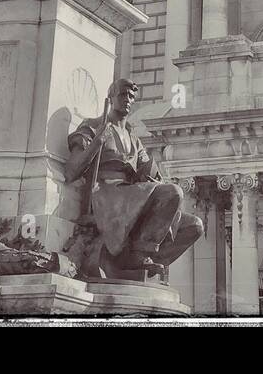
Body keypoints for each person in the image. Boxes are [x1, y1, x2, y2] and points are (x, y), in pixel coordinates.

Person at [65, 79, 203, 273]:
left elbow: (152, 174)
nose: (128, 100)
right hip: (106, 194)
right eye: (122, 94)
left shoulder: (133, 139)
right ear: (111, 98)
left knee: (193, 226)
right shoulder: (93, 126)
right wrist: (97, 142)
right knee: (173, 192)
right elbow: (71, 172)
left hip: (131, 195)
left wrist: (152, 178)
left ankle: (138, 262)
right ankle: (139, 256)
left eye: (131, 96)